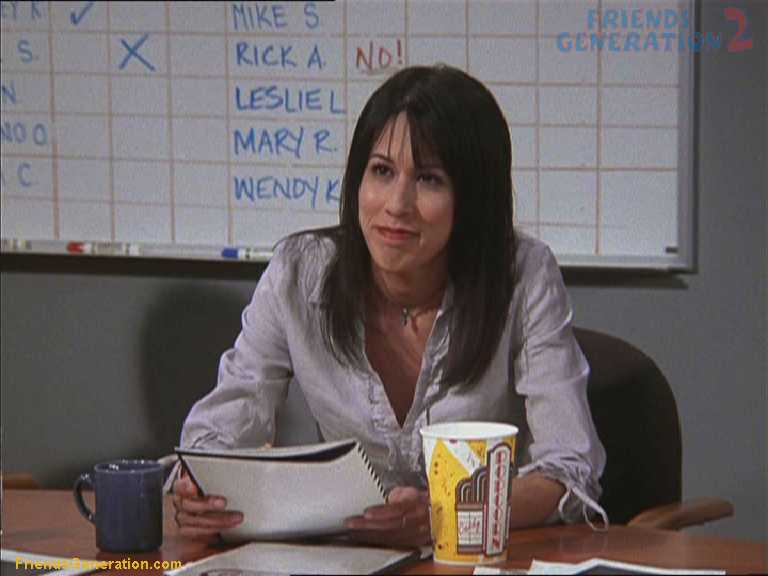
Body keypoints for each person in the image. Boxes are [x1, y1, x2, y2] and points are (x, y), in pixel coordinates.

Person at [172, 65, 607, 545]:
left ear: (474, 198)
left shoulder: (523, 275)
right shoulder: (299, 273)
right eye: (381, 171)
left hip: (475, 559)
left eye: (429, 179)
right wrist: (198, 487)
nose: (397, 204)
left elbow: (570, 470)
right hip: (346, 560)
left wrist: (446, 512)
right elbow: (216, 435)